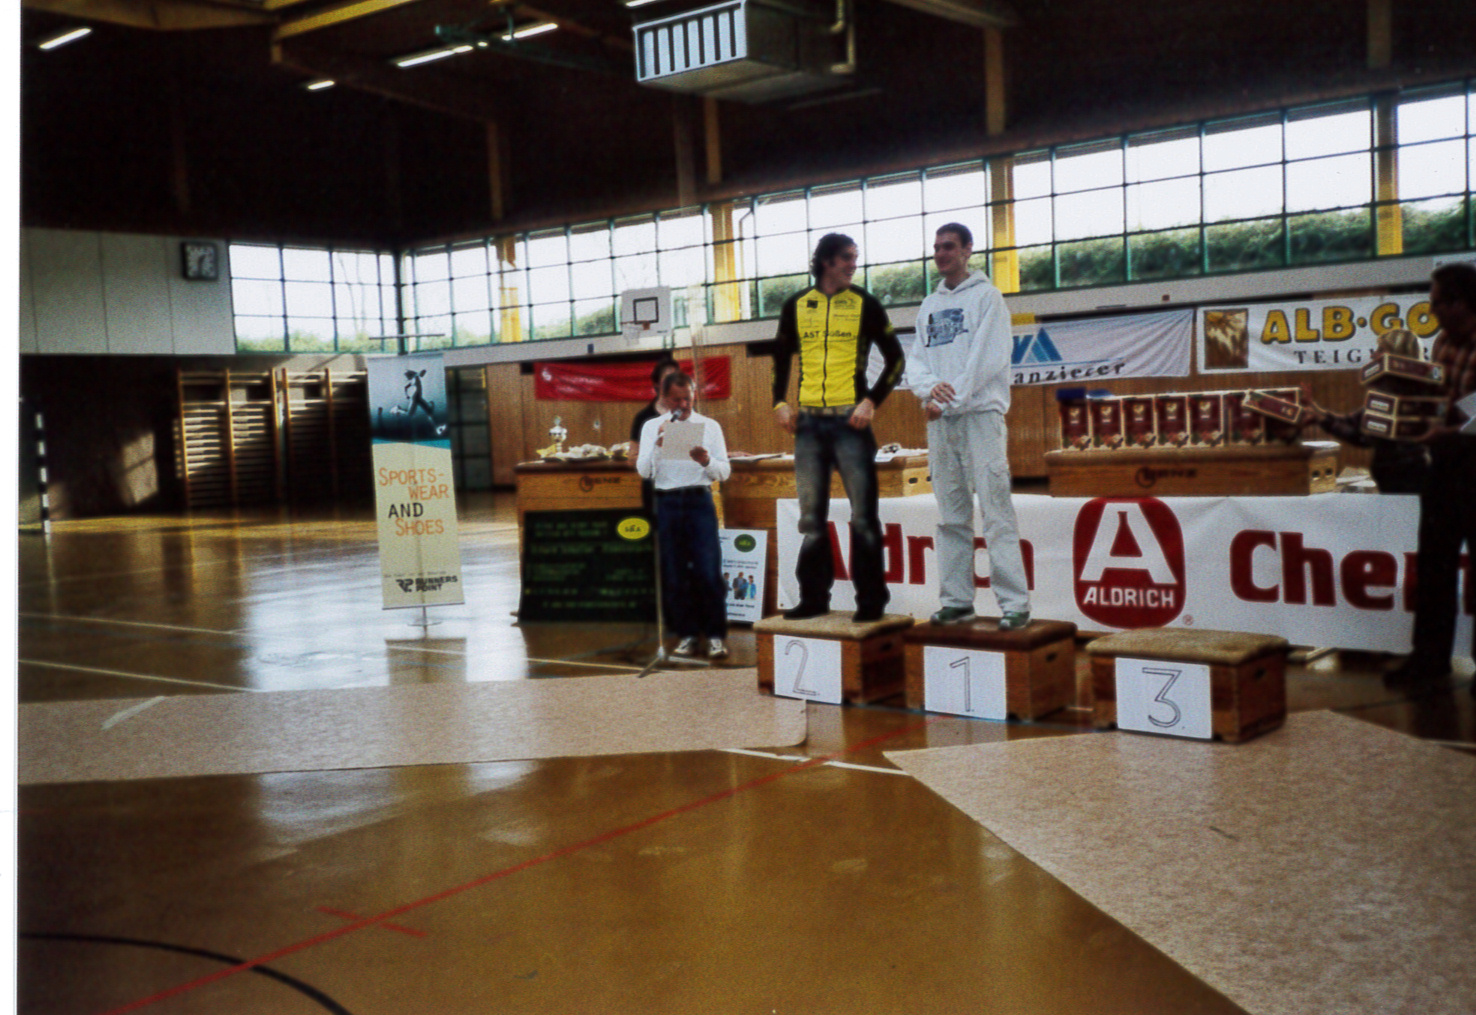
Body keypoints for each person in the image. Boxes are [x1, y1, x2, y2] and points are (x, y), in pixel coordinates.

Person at [771, 232, 905, 623]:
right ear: (826, 260)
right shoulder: (796, 304)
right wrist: (779, 401)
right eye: (847, 258)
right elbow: (781, 357)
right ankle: (814, 598)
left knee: (863, 516)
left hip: (852, 422)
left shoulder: (866, 303)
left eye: (854, 258)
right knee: (811, 519)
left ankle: (871, 602)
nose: (853, 265)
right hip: (809, 424)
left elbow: (896, 359)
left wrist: (871, 401)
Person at [905, 223, 1031, 630]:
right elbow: (916, 362)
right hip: (941, 421)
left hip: (980, 417)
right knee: (951, 514)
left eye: (949, 247)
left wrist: (948, 399)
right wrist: (929, 390)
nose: (941, 254)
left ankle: (1015, 604)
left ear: (967, 250)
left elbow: (987, 359)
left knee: (996, 510)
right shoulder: (929, 304)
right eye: (936, 247)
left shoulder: (987, 297)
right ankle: (957, 601)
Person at [1387, 261, 1476, 693]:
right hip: (1443, 467)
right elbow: (1440, 400)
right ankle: (1429, 659)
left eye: (1439, 302)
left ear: (1463, 303)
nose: (1433, 309)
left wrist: (1451, 431)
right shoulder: (1441, 342)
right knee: (1434, 566)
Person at [635, 371, 731, 658]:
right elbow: (644, 472)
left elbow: (724, 472)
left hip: (699, 500)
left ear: (694, 395)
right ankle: (686, 634)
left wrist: (707, 461)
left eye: (688, 398)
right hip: (667, 502)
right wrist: (657, 445)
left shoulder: (710, 426)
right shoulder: (652, 427)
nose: (684, 405)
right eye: (676, 400)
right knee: (674, 571)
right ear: (664, 399)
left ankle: (715, 635)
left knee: (708, 569)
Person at [1301, 328, 1430, 494]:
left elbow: (1361, 437)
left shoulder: (1396, 393)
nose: (1373, 355)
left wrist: (1321, 418)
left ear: (1396, 356)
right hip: (1405, 476)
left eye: (1381, 350)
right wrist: (1317, 411)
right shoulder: (1407, 389)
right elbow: (1355, 421)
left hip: (1403, 480)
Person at [630, 355, 681, 516]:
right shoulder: (643, 418)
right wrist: (657, 448)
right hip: (654, 491)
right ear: (657, 384)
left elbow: (696, 450)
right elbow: (633, 457)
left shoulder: (686, 414)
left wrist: (724, 454)